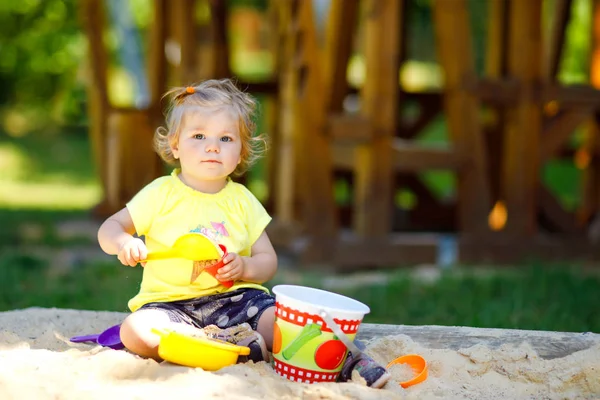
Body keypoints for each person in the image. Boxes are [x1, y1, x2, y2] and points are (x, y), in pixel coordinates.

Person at [97, 78, 389, 388]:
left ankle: (349, 361)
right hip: (171, 308)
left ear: (241, 152)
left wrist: (247, 267)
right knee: (135, 331)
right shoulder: (160, 194)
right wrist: (124, 242)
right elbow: (109, 228)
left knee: (284, 323)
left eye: (225, 138)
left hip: (236, 301)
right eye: (198, 136)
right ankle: (233, 350)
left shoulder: (242, 201)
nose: (212, 146)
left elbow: (268, 261)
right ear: (175, 145)